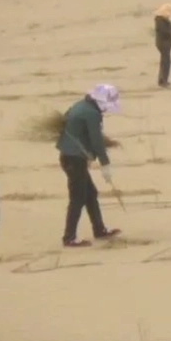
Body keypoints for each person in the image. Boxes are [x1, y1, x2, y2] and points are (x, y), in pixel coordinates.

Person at [57, 85, 123, 247]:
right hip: (74, 160)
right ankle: (69, 237)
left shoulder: (80, 105)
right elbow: (96, 140)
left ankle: (99, 229)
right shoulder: (91, 114)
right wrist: (105, 164)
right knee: (77, 198)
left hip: (69, 156)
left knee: (90, 194)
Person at [154, 3, 171, 88]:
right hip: (163, 44)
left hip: (164, 43)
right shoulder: (160, 21)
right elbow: (164, 32)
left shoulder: (161, 20)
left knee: (165, 62)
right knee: (166, 62)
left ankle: (163, 80)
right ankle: (163, 80)